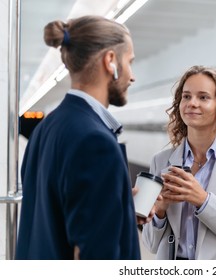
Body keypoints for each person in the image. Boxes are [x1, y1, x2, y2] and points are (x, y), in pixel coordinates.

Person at [16, 15, 143, 260]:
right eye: (130, 62)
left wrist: (122, 209)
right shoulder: (95, 142)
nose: (132, 76)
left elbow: (57, 215)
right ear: (110, 61)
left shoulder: (46, 128)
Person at [142, 65, 216, 260]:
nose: (192, 103)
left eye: (203, 97)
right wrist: (160, 211)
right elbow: (150, 244)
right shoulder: (161, 160)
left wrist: (203, 200)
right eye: (186, 96)